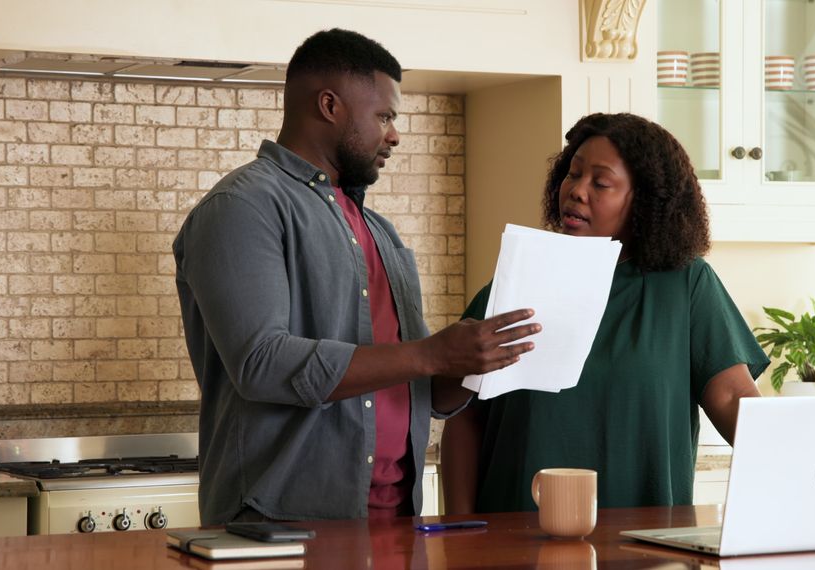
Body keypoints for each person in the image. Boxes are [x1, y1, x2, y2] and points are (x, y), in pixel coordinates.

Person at [173, 29, 540, 524]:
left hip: (395, 522)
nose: (394, 134)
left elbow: (416, 384)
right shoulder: (242, 207)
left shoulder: (379, 231)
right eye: (384, 116)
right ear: (330, 105)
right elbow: (261, 363)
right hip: (279, 526)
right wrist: (431, 353)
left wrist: (477, 363)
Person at [441, 112, 770, 514]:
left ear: (645, 201)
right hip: (512, 541)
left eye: (600, 182)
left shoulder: (687, 285)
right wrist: (459, 532)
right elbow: (464, 417)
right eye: (572, 174)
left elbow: (732, 394)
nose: (577, 191)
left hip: (646, 544)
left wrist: (803, 464)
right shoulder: (520, 277)